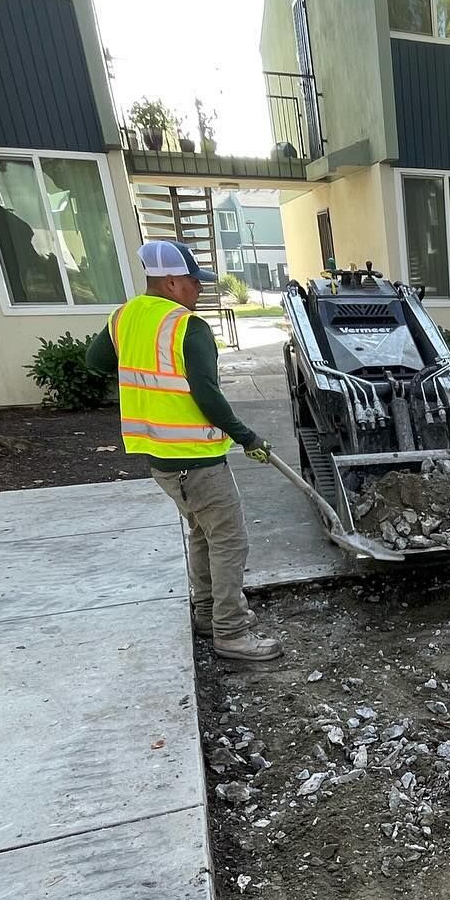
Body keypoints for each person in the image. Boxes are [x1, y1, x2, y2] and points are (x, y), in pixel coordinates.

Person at [85, 241, 280, 664]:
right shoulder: (187, 327)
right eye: (194, 282)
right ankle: (231, 631)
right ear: (171, 281)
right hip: (197, 459)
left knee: (202, 532)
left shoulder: (124, 317)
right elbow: (207, 394)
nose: (199, 290)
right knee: (229, 540)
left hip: (160, 460)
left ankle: (207, 615)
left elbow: (95, 361)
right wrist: (248, 437)